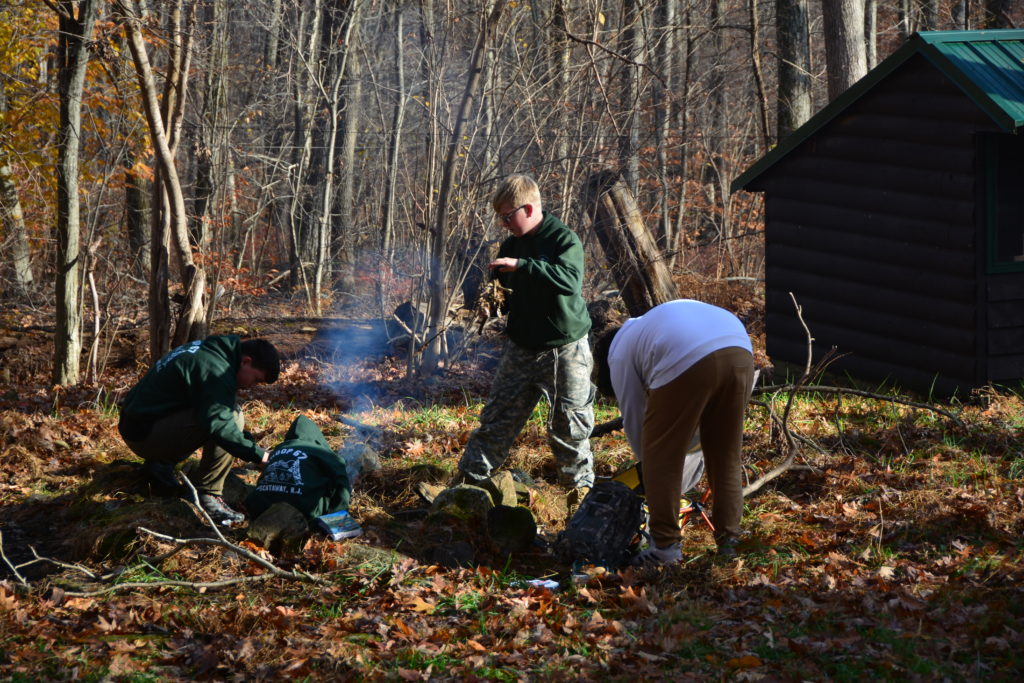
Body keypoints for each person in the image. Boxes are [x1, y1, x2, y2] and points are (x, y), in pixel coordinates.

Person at [452, 174, 595, 502]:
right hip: (521, 346)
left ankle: (579, 497)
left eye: (507, 216)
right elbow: (504, 291)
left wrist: (524, 266)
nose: (504, 224)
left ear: (528, 208)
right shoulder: (511, 244)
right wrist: (492, 302)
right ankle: (467, 487)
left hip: (564, 348)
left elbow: (570, 281)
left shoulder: (563, 239)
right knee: (497, 418)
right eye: (499, 218)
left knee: (570, 427)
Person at [593, 299, 755, 564]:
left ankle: (665, 549)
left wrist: (650, 468)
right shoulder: (645, 328)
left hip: (688, 354)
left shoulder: (620, 353)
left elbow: (637, 422)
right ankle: (730, 543)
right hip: (739, 347)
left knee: (661, 458)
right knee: (724, 455)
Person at [118, 335, 280, 525]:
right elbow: (222, 426)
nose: (252, 386)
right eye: (256, 380)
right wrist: (258, 455)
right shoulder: (214, 369)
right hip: (144, 435)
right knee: (233, 417)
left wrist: (250, 446)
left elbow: (209, 409)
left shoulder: (212, 352)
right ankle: (209, 496)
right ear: (246, 361)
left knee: (224, 415)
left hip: (140, 425)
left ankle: (160, 465)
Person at [245, 415, 352, 522]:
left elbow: (264, 476)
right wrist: (338, 516)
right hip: (305, 512)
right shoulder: (324, 453)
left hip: (258, 510)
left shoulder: (278, 450)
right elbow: (341, 482)